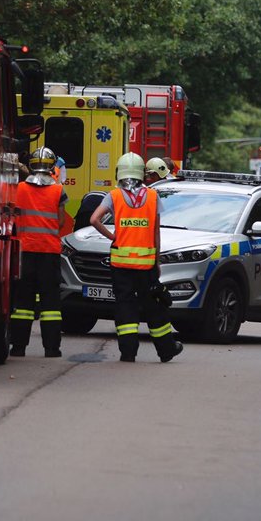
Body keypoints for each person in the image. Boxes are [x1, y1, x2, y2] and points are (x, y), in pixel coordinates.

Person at [89, 152, 184, 363]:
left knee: (125, 306)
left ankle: (128, 352)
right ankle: (166, 349)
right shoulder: (152, 196)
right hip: (146, 264)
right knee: (154, 306)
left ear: (120, 172)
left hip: (121, 263)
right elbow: (155, 231)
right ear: (142, 173)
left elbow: (94, 219)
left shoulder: (113, 196)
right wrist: (157, 261)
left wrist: (113, 235)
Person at [10, 146, 68, 358]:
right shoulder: (58, 191)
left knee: (23, 303)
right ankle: (52, 349)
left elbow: (14, 215)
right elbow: (61, 221)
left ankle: (18, 347)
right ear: (52, 166)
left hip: (25, 251)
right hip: (49, 252)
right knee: (50, 304)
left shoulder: (20, 189)